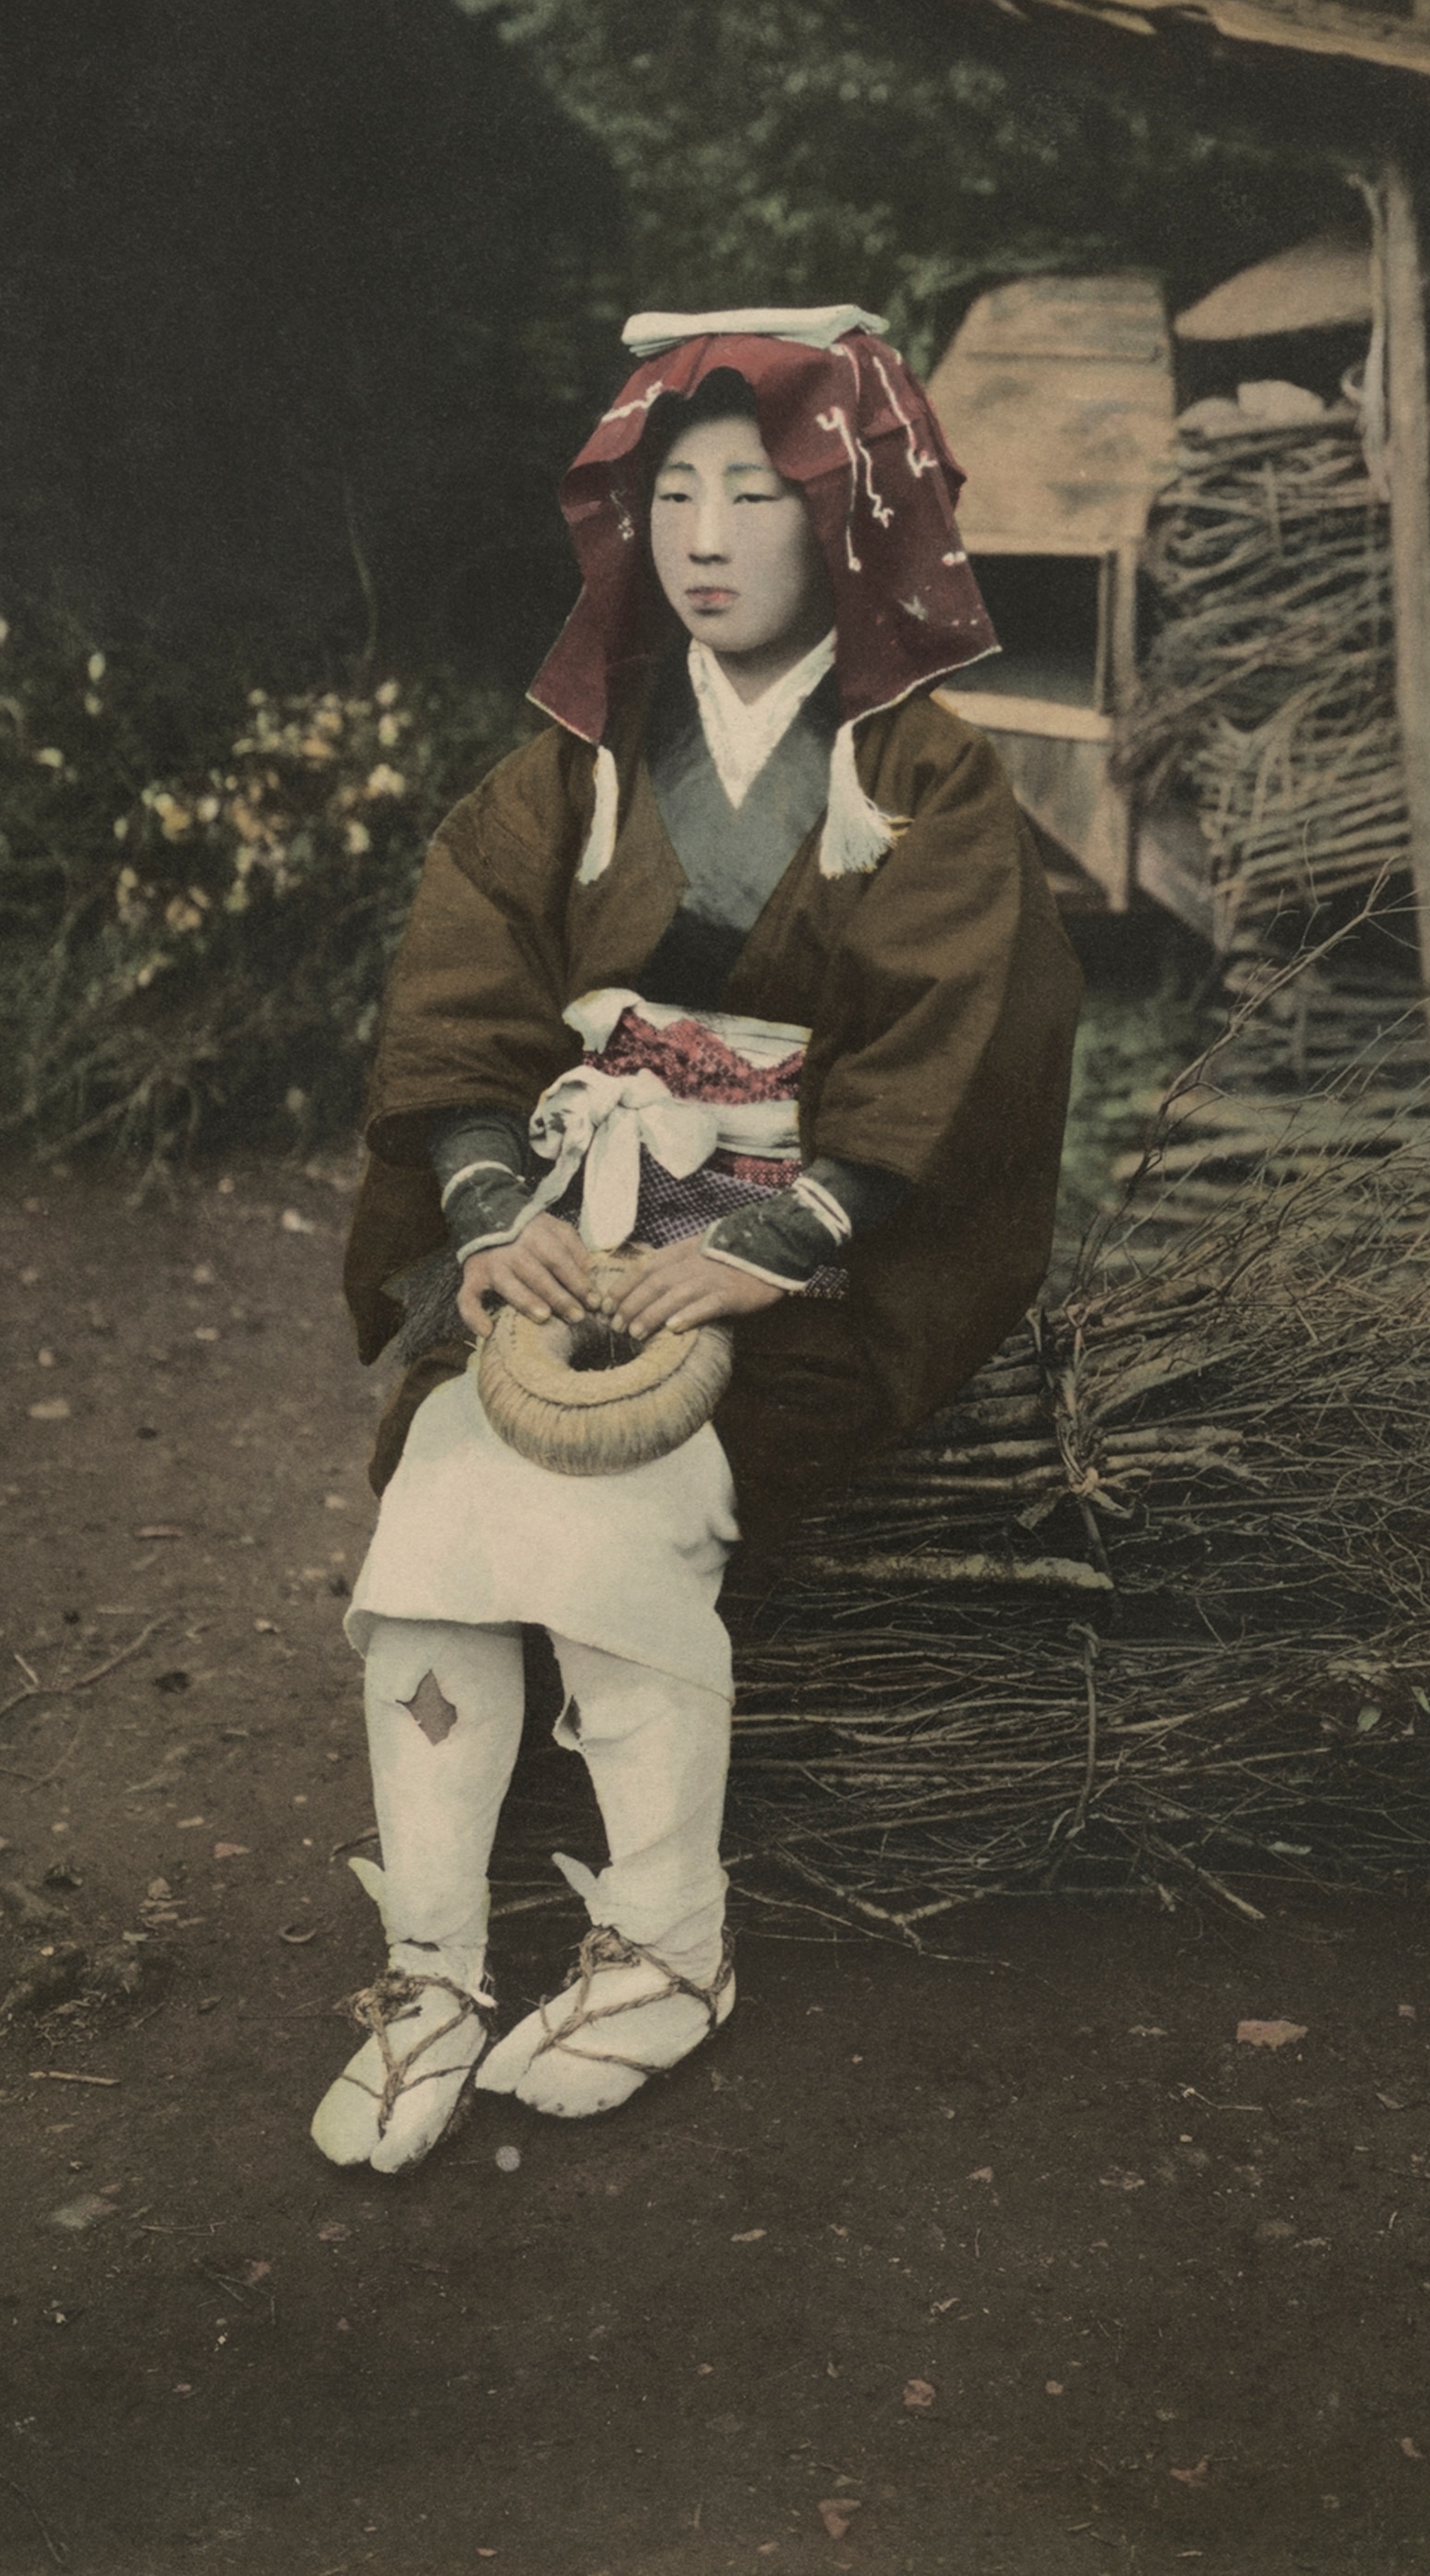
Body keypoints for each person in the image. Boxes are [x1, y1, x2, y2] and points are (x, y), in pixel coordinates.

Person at [313, 305, 1083, 2173]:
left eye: (762, 489)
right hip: (582, 1226)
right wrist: (491, 1208)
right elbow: (469, 979)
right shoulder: (581, 761)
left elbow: (960, 1040)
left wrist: (780, 1235)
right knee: (434, 1489)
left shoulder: (917, 770)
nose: (713, 533)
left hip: (820, 1252)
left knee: (619, 1499)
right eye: (677, 492)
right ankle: (429, 1978)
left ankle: (670, 1953)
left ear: (844, 520)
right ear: (631, 523)